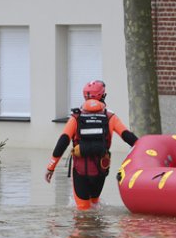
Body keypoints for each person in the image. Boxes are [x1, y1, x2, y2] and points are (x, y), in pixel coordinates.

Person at [45, 80, 138, 210]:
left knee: (83, 211)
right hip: (100, 170)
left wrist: (51, 167)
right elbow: (129, 137)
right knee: (95, 207)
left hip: (80, 171)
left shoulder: (76, 118)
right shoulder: (110, 117)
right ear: (102, 96)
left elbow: (63, 141)